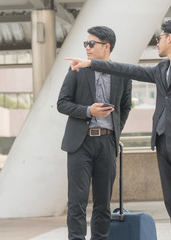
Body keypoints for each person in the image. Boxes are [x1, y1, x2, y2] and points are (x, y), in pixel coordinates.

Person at [66, 20, 171, 240]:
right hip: (162, 143)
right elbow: (129, 70)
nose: (157, 42)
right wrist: (92, 64)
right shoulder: (161, 69)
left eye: (160, 38)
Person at [57, 26, 132, 240]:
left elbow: (125, 107)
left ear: (106, 46)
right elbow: (62, 104)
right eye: (86, 44)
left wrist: (116, 134)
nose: (87, 48)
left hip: (107, 143)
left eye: (92, 44)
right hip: (80, 144)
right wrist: (88, 111)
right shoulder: (77, 69)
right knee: (77, 201)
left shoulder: (122, 73)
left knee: (103, 202)